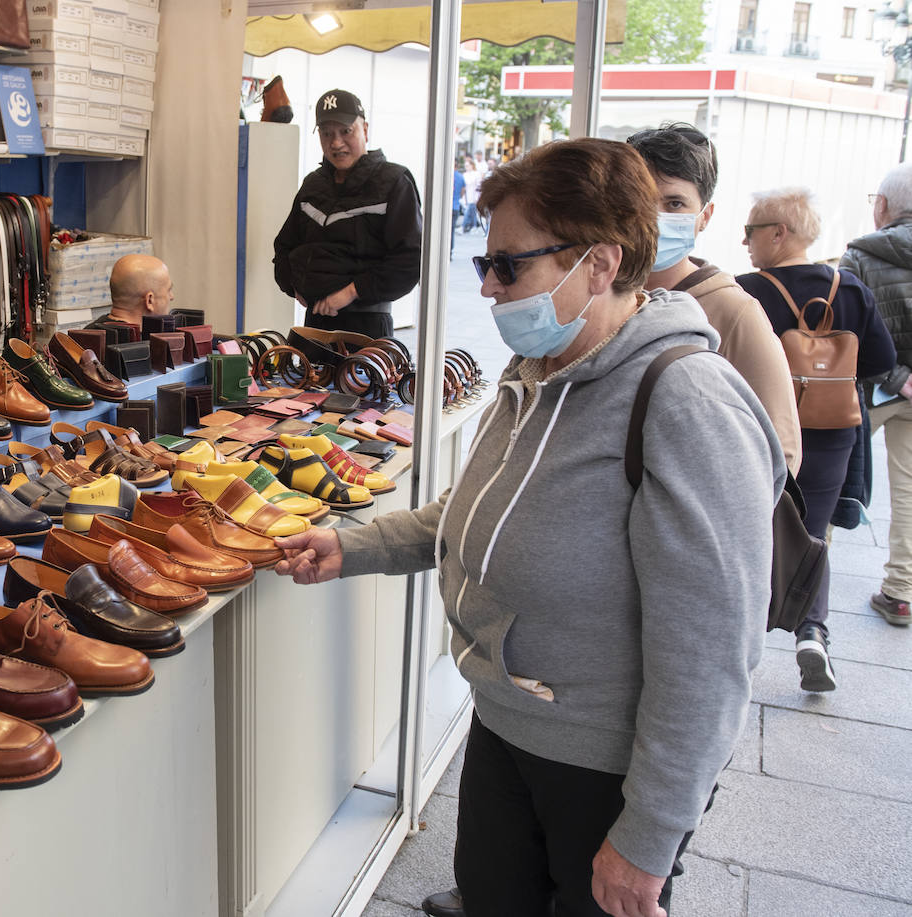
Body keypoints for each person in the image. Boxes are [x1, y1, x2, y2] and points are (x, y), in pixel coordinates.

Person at [274, 138, 785, 917]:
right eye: (486, 261)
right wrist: (352, 544)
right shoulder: (535, 375)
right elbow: (476, 513)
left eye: (508, 265)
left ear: (601, 264)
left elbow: (712, 651)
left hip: (600, 769)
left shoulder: (686, 400)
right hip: (507, 723)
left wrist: (648, 835)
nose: (486, 285)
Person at [736, 189, 895, 691]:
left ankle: (741, 637)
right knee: (813, 536)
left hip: (757, 430)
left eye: (751, 232)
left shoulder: (745, 292)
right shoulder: (848, 288)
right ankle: (813, 633)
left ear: (778, 233)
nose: (745, 243)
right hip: (831, 434)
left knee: (749, 532)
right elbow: (880, 362)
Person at [627, 123, 803, 475]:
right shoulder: (602, 295)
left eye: (674, 203)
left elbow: (781, 451)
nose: (654, 218)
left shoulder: (733, 312)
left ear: (704, 217)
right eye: (639, 201)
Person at [272, 89, 422, 340]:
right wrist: (293, 285)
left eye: (345, 131)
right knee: (300, 380)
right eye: (326, 133)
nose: (336, 142)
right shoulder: (313, 185)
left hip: (368, 327)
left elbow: (410, 260)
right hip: (313, 326)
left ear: (365, 128)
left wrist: (352, 292)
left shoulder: (395, 182)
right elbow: (284, 246)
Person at [838, 164, 912, 626]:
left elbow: (847, 327)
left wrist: (897, 375)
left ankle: (802, 580)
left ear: (882, 206)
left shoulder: (860, 255)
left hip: (868, 389)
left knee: (832, 478)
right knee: (909, 491)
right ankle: (901, 591)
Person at [84, 253, 174, 332]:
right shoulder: (149, 347)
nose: (171, 297)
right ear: (149, 301)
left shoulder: (85, 335)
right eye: (169, 290)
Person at [460, 156, 483, 234]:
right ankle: (474, 226)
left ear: (472, 166)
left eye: (467, 166)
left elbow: (478, 186)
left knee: (469, 211)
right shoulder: (465, 175)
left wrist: (477, 197)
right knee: (472, 212)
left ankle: (463, 226)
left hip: (473, 195)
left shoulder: (476, 174)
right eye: (465, 166)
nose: (466, 167)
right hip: (467, 196)